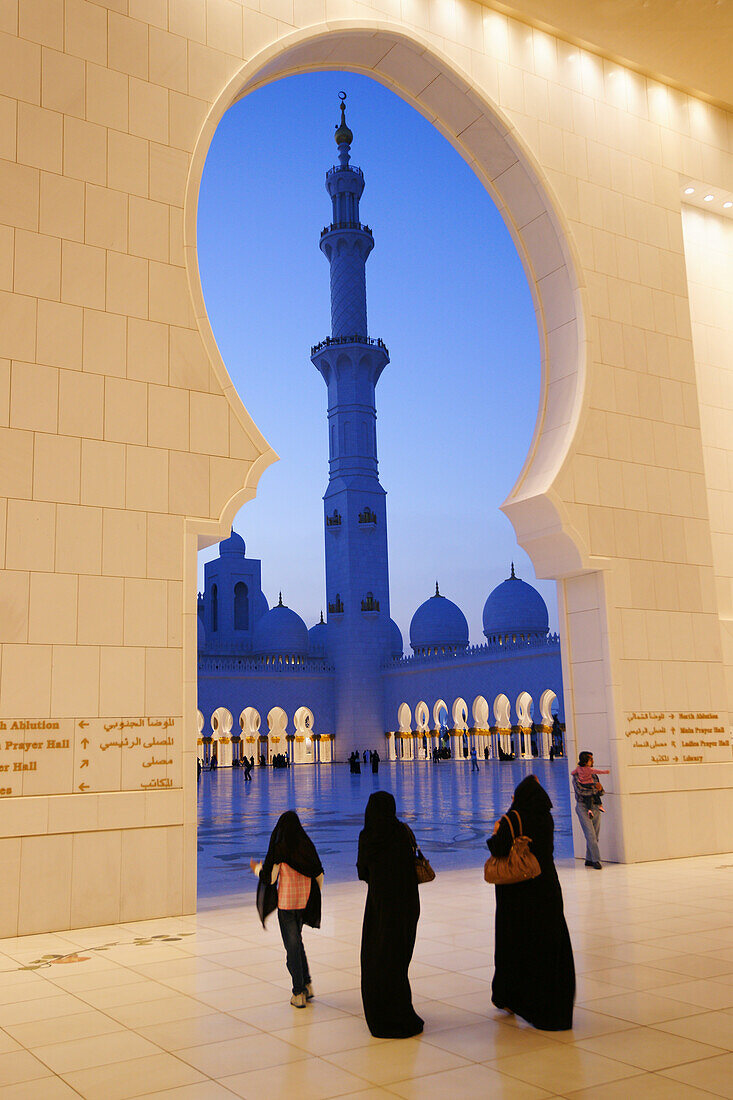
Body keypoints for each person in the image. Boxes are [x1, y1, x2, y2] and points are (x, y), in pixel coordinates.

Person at [486, 775, 575, 1031]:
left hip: (518, 893)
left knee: (516, 942)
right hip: (546, 887)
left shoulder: (513, 819)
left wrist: (496, 831)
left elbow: (498, 848)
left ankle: (512, 997)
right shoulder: (545, 816)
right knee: (549, 944)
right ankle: (554, 1004)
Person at [357, 792, 423, 1038]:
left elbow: (362, 872)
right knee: (398, 959)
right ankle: (401, 1011)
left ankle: (381, 1015)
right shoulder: (402, 832)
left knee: (378, 957)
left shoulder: (369, 835)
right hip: (406, 904)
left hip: (380, 906)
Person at [251, 811, 324, 1008]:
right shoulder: (306, 846)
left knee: (291, 947)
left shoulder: (280, 849)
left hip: (287, 904)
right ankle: (307, 984)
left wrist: (257, 869)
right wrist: (314, 895)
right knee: (297, 943)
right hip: (304, 902)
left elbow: (271, 879)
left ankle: (298, 992)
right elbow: (318, 873)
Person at [572, 751, 608, 868]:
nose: (593, 762)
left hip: (595, 805)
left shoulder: (593, 775)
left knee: (594, 835)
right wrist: (595, 790)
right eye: (591, 759)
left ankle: (589, 858)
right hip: (583, 806)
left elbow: (601, 792)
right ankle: (596, 860)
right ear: (585, 761)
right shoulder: (577, 775)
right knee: (590, 834)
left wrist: (600, 788)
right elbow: (581, 791)